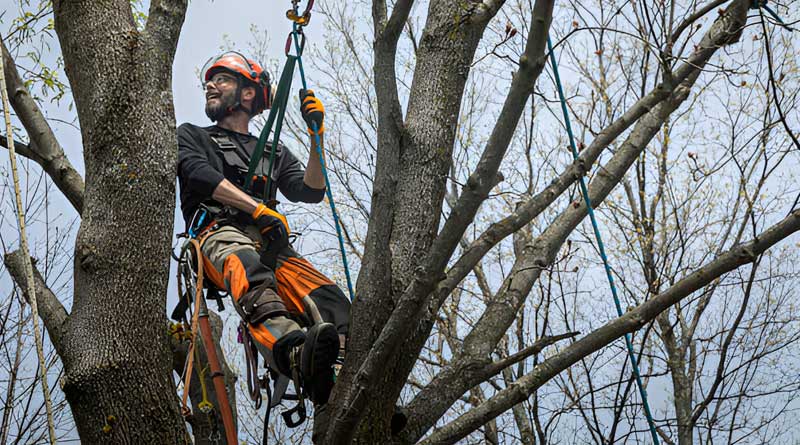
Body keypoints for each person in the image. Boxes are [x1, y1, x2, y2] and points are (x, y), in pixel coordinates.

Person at [176, 51, 350, 408]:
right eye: (210, 80)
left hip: (271, 245)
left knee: (333, 301)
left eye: (222, 79)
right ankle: (292, 352)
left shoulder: (272, 150)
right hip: (218, 233)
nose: (210, 84)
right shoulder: (194, 136)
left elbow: (311, 190)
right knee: (251, 276)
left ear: (248, 93)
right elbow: (197, 173)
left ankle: (350, 379)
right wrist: (257, 208)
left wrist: (317, 136)